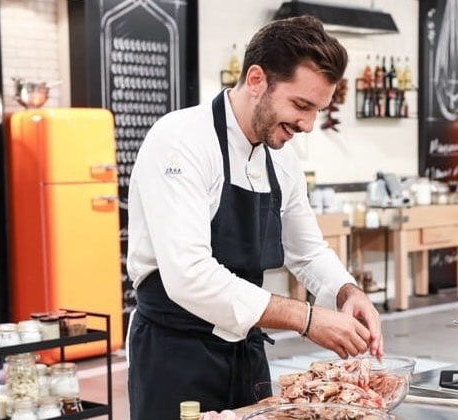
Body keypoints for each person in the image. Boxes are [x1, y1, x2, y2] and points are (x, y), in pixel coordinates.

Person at [126, 15, 383, 419]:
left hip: (247, 353)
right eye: (301, 105)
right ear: (257, 79)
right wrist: (306, 318)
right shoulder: (180, 142)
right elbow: (188, 274)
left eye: (317, 110)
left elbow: (308, 251)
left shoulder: (282, 160)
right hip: (175, 357)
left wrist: (349, 292)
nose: (308, 125)